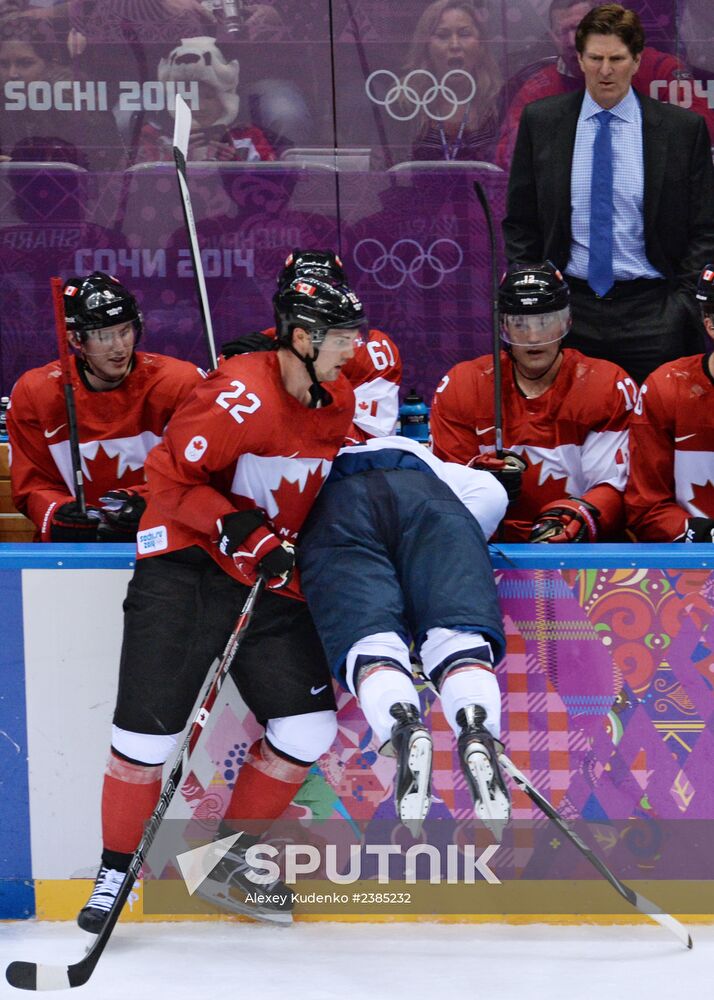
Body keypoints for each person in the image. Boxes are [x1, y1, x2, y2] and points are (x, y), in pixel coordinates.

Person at [76, 252, 365, 932]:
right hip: (187, 569)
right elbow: (167, 477)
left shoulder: (340, 398)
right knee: (146, 737)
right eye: (341, 336)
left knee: (308, 726)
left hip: (266, 578)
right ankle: (113, 873)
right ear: (302, 337)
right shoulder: (239, 394)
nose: (353, 349)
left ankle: (226, 864)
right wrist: (237, 527)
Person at [299, 434, 509, 837]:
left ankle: (404, 724)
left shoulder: (314, 458)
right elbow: (492, 494)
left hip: (337, 508)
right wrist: (422, 578)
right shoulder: (429, 459)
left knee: (372, 647)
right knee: (456, 640)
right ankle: (475, 725)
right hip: (430, 500)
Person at [502, 4, 714, 385]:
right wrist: (538, 300)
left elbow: (704, 228)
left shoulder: (681, 131)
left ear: (637, 61)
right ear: (580, 59)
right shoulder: (542, 121)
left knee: (656, 418)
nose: (605, 70)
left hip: (655, 314)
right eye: (595, 58)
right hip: (568, 310)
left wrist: (681, 305)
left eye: (616, 59)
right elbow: (521, 221)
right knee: (570, 418)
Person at [430, 262, 630, 543]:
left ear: (567, 322)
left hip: (574, 549)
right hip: (487, 544)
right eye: (520, 324)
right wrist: (479, 478)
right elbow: (444, 485)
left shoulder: (606, 385)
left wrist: (573, 520)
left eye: (545, 322)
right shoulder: (463, 385)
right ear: (503, 326)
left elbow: (613, 485)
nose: (533, 337)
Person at [6, 271, 203, 542]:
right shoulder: (35, 393)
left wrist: (151, 502)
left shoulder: (180, 383)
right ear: (76, 340)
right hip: (74, 550)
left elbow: (198, 471)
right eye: (104, 336)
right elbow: (32, 484)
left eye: (125, 331)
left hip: (161, 542)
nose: (119, 347)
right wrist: (56, 512)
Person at [496, 0, 714, 168]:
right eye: (563, 32)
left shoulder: (659, 69)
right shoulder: (540, 87)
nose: (572, 41)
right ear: (552, 37)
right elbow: (508, 154)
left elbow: (702, 131)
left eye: (580, 29)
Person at [220, 250, 402, 443]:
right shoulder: (248, 352)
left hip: (347, 460)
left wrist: (306, 390)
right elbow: (233, 438)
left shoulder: (373, 349)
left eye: (327, 290)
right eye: (303, 291)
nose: (315, 302)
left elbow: (371, 441)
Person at [625, 265, 714, 542]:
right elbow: (646, 507)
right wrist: (702, 534)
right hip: (692, 558)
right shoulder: (666, 387)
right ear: (710, 325)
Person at [0, 26, 125, 170]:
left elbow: (102, 160)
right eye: (3, 64)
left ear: (50, 64)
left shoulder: (77, 104)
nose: (12, 74)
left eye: (25, 63)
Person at [135, 36, 276, 163]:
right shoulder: (152, 136)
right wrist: (177, 160)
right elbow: (136, 179)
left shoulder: (248, 136)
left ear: (225, 99)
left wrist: (234, 165)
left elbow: (272, 180)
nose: (199, 107)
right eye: (188, 97)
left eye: (208, 97)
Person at [400, 0, 502, 163]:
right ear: (426, 47)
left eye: (464, 34)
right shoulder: (406, 102)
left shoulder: (499, 102)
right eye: (442, 35)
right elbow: (384, 167)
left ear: (481, 45)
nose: (454, 45)